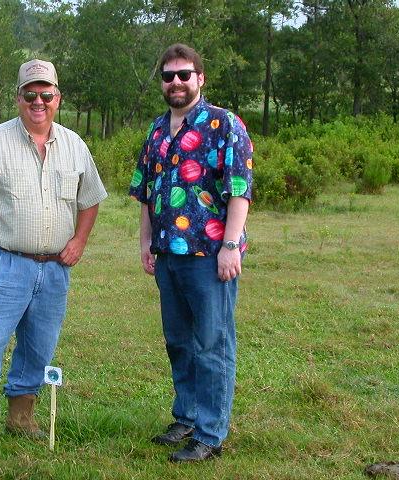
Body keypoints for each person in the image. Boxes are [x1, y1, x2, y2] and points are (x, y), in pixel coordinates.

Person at [0, 59, 107, 459]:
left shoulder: (76, 146)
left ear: (58, 98)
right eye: (30, 94)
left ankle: (22, 416)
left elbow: (91, 199)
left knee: (39, 347)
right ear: (18, 98)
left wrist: (80, 241)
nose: (39, 101)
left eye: (46, 94)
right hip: (2, 264)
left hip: (54, 269)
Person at [128, 44, 253, 462]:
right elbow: (146, 192)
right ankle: (186, 415)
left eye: (184, 74)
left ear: (200, 77)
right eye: (168, 76)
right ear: (162, 83)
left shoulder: (224, 124)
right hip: (168, 255)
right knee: (179, 341)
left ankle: (210, 433)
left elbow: (239, 190)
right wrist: (146, 243)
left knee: (212, 344)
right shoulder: (157, 131)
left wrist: (231, 246)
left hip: (210, 256)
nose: (176, 82)